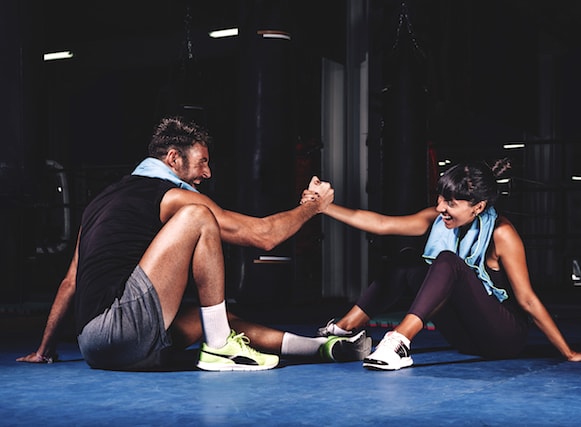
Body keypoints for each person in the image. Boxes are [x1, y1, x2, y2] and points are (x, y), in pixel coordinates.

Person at [17, 116, 370, 372]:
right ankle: (219, 349)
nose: (207, 174)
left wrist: (44, 350)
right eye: (202, 162)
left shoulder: (99, 202)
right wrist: (312, 208)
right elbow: (263, 236)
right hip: (122, 332)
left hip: (94, 347)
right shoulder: (170, 197)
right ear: (173, 159)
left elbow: (69, 282)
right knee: (199, 217)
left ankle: (323, 349)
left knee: (216, 318)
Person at [306, 158, 581, 370]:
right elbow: (383, 224)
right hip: (465, 338)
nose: (441, 208)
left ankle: (398, 342)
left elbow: (528, 300)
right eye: (440, 199)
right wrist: (323, 208)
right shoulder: (438, 217)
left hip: (503, 338)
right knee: (406, 262)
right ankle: (347, 330)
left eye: (451, 203)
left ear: (478, 207)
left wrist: (569, 352)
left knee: (447, 261)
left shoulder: (503, 234)